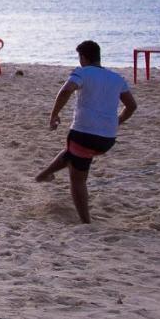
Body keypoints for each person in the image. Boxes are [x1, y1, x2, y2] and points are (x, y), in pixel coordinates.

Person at [36, 40, 137, 224]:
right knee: (73, 153)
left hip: (84, 135)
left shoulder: (82, 72)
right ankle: (44, 174)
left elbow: (66, 90)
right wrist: (116, 122)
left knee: (78, 179)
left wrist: (54, 114)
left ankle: (85, 221)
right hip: (107, 140)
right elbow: (131, 106)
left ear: (83, 57)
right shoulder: (116, 78)